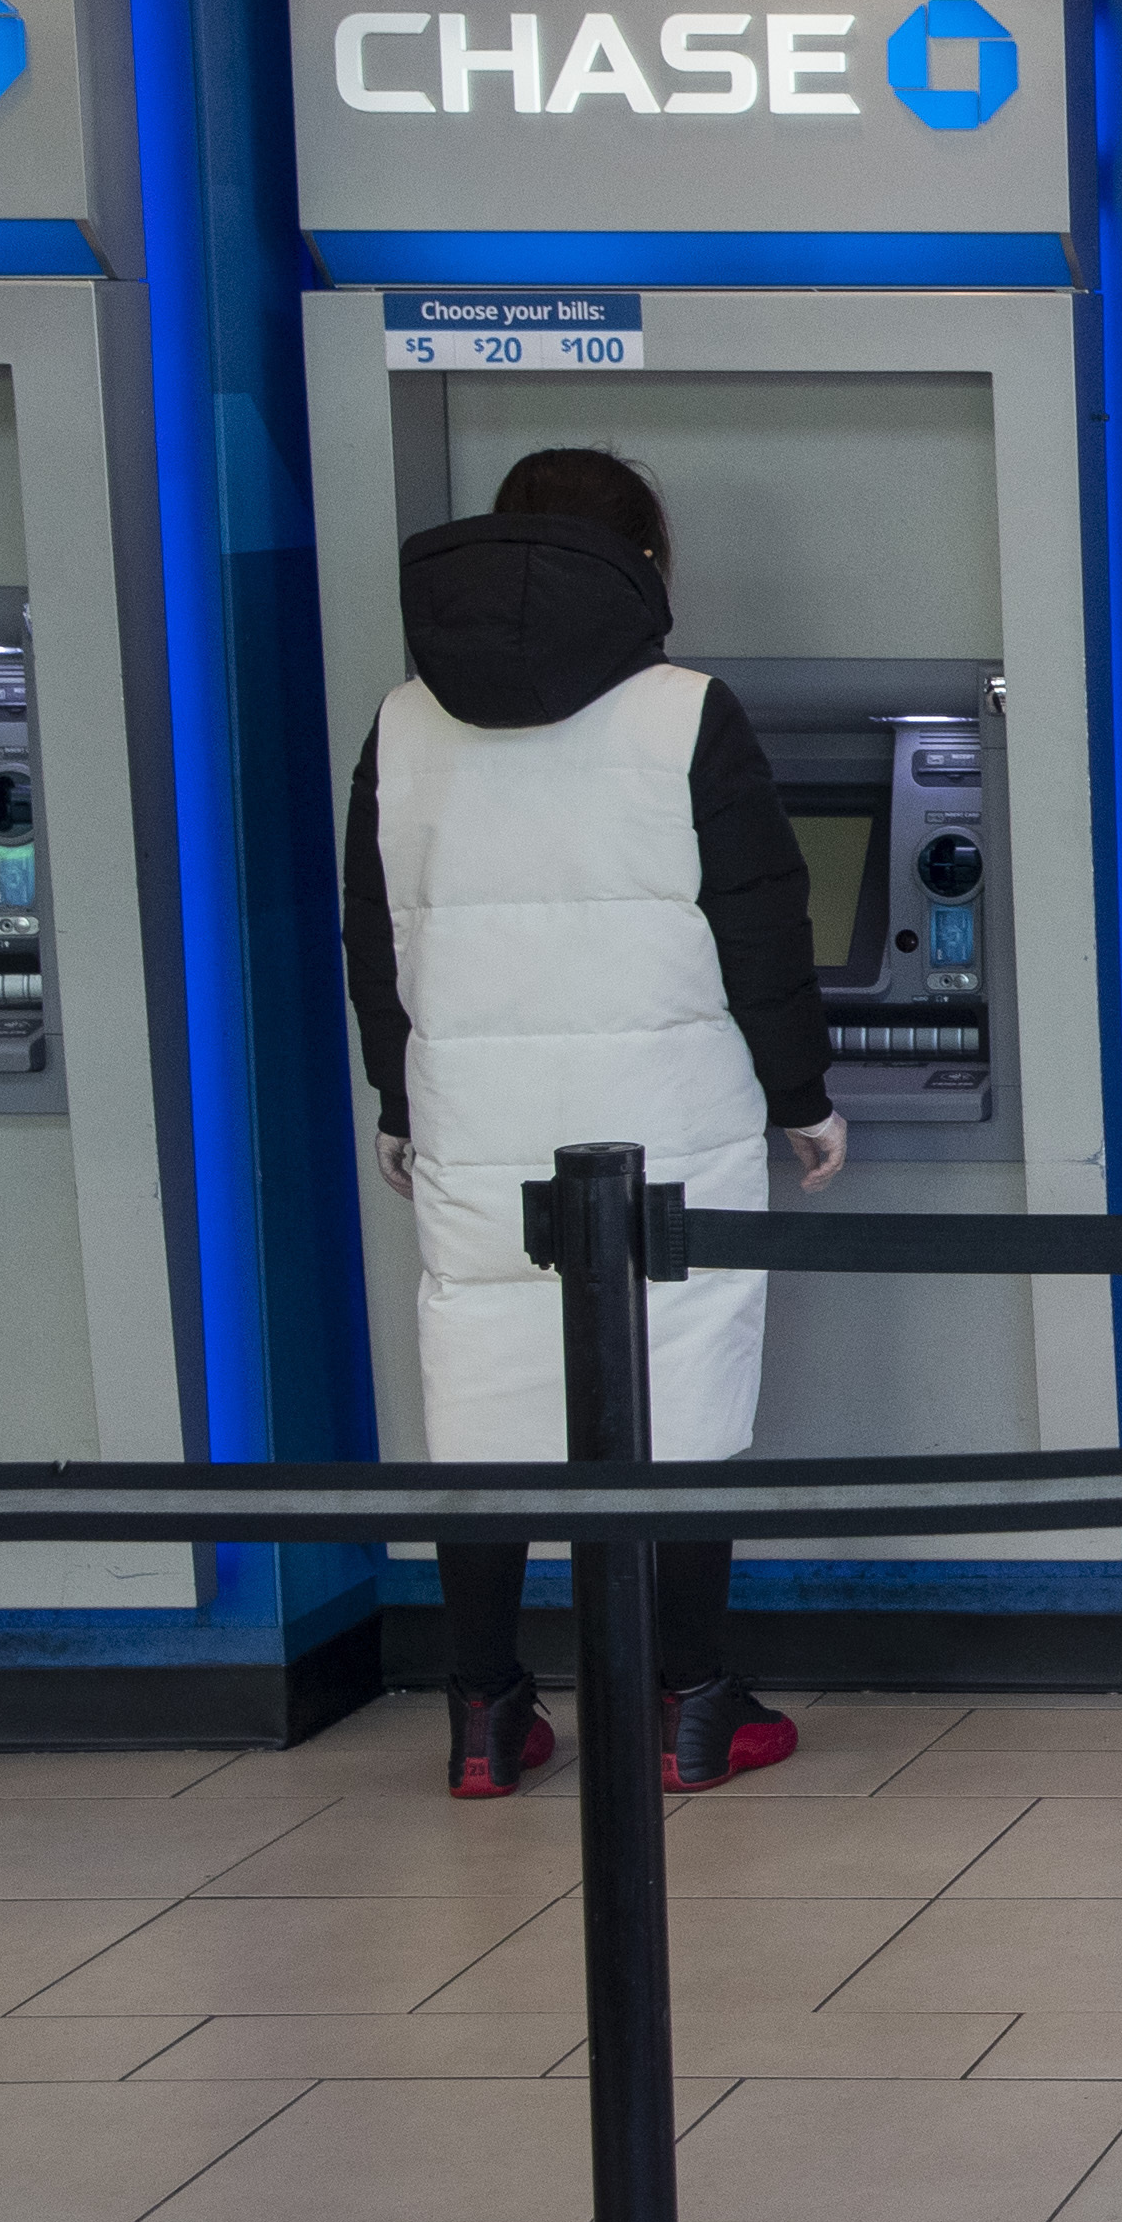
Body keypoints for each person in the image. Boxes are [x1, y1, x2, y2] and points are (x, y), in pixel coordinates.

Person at [342, 448, 847, 1800]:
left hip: (481, 1122)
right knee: (678, 1396)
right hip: (663, 1121)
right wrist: (802, 1094)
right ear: (644, 565)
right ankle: (691, 1701)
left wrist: (401, 1098)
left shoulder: (403, 726)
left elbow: (380, 940)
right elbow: (761, 921)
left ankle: (485, 1713)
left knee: (486, 1398)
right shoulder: (687, 715)